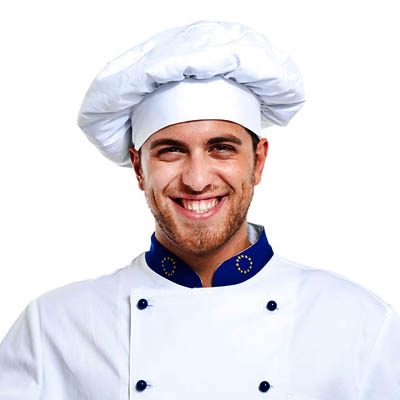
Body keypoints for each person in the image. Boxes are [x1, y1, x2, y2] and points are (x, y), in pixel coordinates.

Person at [0, 20, 399, 400]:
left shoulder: (358, 323)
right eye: (171, 151)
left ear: (258, 162)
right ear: (139, 168)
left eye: (221, 148)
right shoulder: (53, 329)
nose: (197, 179)